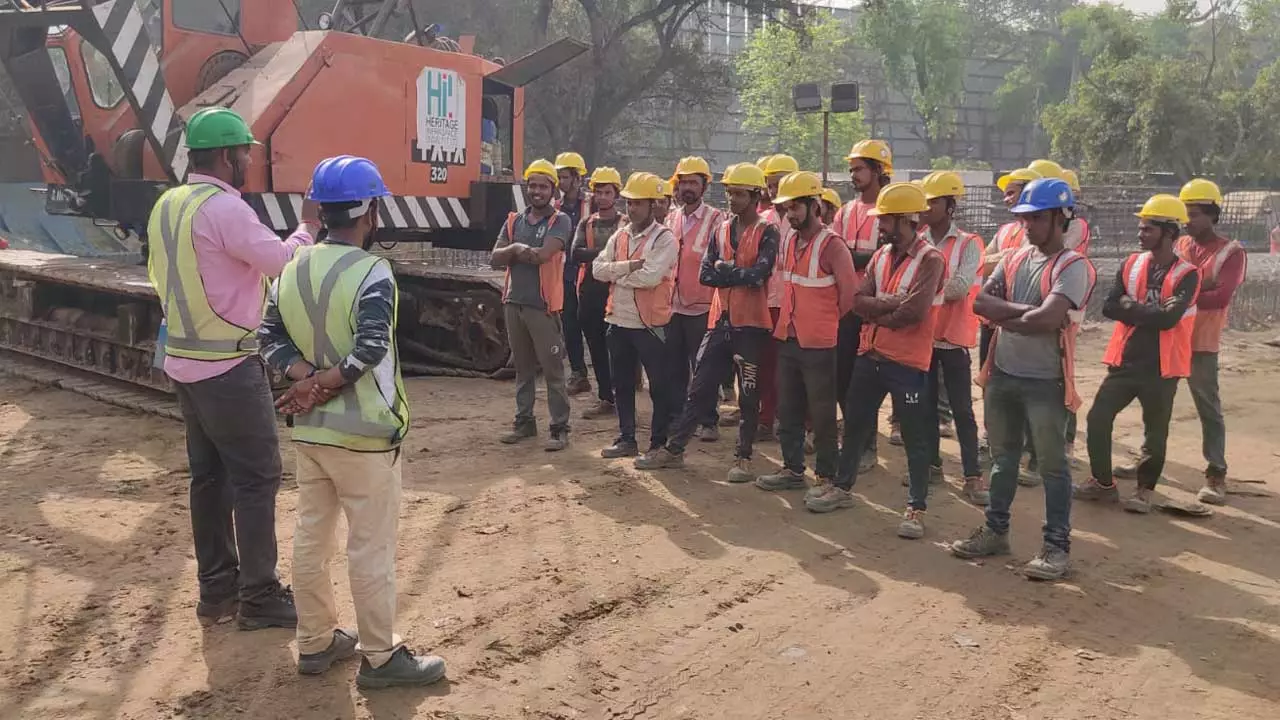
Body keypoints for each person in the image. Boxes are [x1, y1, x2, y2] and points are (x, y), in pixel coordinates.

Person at [259, 156, 446, 688]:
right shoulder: (373, 271)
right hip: (365, 437)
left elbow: (268, 338)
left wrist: (303, 381)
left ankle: (315, 642)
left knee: (310, 538)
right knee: (370, 548)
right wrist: (322, 381)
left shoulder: (291, 266)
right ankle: (382, 658)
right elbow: (368, 349)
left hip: (312, 432)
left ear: (320, 210)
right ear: (370, 212)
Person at [147, 107, 311, 630]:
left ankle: (216, 592)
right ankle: (260, 596)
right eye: (244, 152)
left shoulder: (168, 204)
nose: (248, 161)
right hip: (228, 366)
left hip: (184, 362)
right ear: (224, 155)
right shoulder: (225, 209)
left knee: (209, 477)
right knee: (258, 476)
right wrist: (307, 227)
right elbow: (283, 261)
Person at [949, 178, 1096, 581]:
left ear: (1058, 218)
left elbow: (1048, 321)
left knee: (1052, 467)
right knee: (1003, 460)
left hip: (1045, 381)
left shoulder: (1073, 267)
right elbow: (979, 302)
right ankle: (996, 532)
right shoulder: (1014, 259)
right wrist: (1025, 312)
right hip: (1004, 374)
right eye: (1024, 218)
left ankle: (1056, 545)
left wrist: (1011, 314)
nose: (1026, 225)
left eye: (1034, 218)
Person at [635, 163, 779, 481]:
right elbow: (705, 274)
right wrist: (733, 273)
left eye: (740, 194)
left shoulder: (768, 232)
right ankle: (675, 451)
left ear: (755, 196)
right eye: (730, 193)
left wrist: (725, 270)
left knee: (749, 394)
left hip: (751, 325)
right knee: (699, 388)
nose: (733, 200)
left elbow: (759, 276)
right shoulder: (722, 230)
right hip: (720, 321)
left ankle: (743, 457)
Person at [819, 183, 945, 533]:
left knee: (915, 438)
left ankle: (916, 508)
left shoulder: (930, 260)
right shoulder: (880, 256)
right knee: (856, 426)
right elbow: (856, 301)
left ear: (906, 220)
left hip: (907, 363)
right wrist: (888, 308)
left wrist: (879, 312)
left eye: (886, 220)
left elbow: (915, 312)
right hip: (870, 354)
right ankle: (842, 487)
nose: (879, 226)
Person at [1114, 179, 1247, 504]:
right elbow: (1161, 287)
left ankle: (1216, 473)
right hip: (1168, 338)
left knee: (1207, 406)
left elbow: (1221, 297)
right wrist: (1181, 294)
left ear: (1213, 214)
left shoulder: (1231, 252)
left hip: (1200, 341)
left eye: (1196, 213)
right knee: (1155, 405)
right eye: (1185, 212)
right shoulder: (1181, 244)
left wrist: (1180, 295)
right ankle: (1147, 461)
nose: (1188, 219)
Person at [1075, 195, 1200, 514]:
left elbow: (1168, 319)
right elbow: (1108, 306)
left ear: (1169, 232)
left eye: (1148, 229)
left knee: (1155, 431)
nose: (1140, 233)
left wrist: (1130, 307)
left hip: (1163, 366)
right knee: (1097, 418)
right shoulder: (1131, 264)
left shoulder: (1188, 274)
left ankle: (1145, 490)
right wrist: (1145, 309)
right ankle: (1103, 484)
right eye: (1141, 227)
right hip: (1126, 360)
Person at [754, 172, 857, 495]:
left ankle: (826, 476)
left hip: (819, 342)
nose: (791, 213)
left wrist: (823, 323)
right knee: (788, 408)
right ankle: (792, 468)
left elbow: (849, 296)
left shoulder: (832, 245)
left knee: (823, 413)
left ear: (815, 206)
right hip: (788, 336)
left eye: (797, 206)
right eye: (786, 208)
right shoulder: (788, 240)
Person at [592, 173, 682, 459]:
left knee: (659, 386)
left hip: (650, 325)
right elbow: (596, 270)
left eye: (639, 204)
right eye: (630, 203)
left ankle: (658, 443)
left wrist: (616, 274)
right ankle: (626, 438)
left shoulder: (665, 239)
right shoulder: (620, 235)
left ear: (652, 205)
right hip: (618, 320)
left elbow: (651, 277)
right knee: (622, 384)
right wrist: (629, 266)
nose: (633, 209)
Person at [491, 159, 573, 451]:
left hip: (543, 305)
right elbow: (494, 257)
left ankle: (559, 427)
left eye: (543, 186)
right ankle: (523, 423)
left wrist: (513, 252)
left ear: (552, 189)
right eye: (533, 185)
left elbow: (543, 255)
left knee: (552, 370)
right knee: (523, 369)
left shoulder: (559, 221)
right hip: (514, 302)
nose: (537, 191)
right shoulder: (515, 220)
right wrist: (514, 249)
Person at [918, 171, 986, 505]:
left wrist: (921, 292)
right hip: (924, 337)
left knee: (962, 410)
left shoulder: (969, 243)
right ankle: (931, 467)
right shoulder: (918, 240)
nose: (926, 207)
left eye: (933, 201)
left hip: (954, 338)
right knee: (926, 408)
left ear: (950, 205)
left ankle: (972, 475)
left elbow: (961, 287)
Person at [832, 139, 894, 466]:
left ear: (878, 170)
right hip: (846, 308)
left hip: (875, 311)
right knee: (842, 377)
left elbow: (885, 256)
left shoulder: (890, 210)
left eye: (859, 169)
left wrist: (851, 258)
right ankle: (857, 437)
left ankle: (868, 444)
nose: (853, 174)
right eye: (852, 168)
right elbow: (838, 254)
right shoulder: (846, 211)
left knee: (867, 380)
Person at [976, 166, 1041, 462]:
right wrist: (1005, 258)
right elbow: (982, 263)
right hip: (993, 319)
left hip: (1023, 323)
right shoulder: (1006, 231)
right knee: (991, 379)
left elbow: (1023, 264)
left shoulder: (1037, 232)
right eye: (1005, 194)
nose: (1006, 199)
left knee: (1025, 384)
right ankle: (993, 438)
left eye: (1012, 192)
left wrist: (1002, 259)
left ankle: (1028, 448)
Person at [664, 156, 727, 442]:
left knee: (704, 367)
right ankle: (678, 416)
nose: (687, 187)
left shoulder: (716, 219)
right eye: (683, 182)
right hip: (673, 305)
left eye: (693, 182)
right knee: (675, 366)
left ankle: (708, 420)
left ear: (704, 186)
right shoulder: (671, 218)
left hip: (702, 306)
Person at [571, 166, 625, 419]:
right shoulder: (587, 222)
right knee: (596, 348)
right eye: (598, 192)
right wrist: (607, 256)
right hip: (590, 292)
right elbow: (575, 253)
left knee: (620, 349)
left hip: (617, 293)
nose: (602, 197)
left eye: (607, 192)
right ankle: (606, 398)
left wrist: (598, 258)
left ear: (617, 194)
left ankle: (623, 397)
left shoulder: (625, 222)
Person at [756, 153, 799, 439]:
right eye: (770, 185)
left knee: (798, 368)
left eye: (779, 183)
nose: (774, 190)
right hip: (768, 301)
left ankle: (803, 423)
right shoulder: (764, 220)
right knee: (766, 363)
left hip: (797, 304)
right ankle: (765, 418)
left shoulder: (805, 222)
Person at [554, 152, 593, 397]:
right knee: (570, 326)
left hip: (590, 274)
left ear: (577, 179)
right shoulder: (555, 207)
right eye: (559, 176)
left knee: (595, 325)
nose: (560, 182)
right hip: (566, 274)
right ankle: (579, 373)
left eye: (565, 177)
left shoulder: (592, 203)